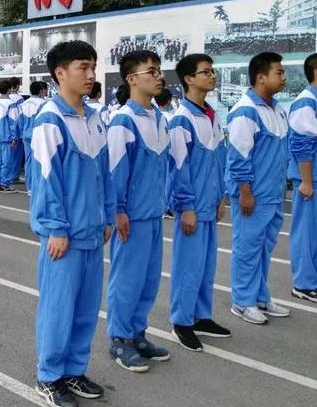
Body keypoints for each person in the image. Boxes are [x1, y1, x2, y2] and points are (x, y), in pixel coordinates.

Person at [30, 41, 115, 406]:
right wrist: (56, 228)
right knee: (58, 309)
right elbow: (45, 180)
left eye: (93, 66)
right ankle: (48, 376)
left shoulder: (95, 117)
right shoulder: (50, 120)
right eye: (83, 67)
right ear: (60, 73)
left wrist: (108, 216)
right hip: (64, 237)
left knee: (84, 310)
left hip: (93, 234)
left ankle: (73, 370)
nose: (91, 74)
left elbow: (104, 173)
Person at [107, 50, 170, 372]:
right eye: (151, 72)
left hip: (154, 213)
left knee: (148, 280)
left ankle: (138, 334)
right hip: (131, 216)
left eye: (159, 71)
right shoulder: (123, 121)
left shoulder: (158, 116)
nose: (158, 77)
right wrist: (118, 211)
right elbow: (116, 170)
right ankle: (120, 341)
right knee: (127, 280)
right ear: (132, 79)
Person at [167, 54, 231, 351]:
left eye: (212, 71)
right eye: (205, 72)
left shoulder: (212, 114)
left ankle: (201, 316)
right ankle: (181, 320)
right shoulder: (182, 119)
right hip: (192, 207)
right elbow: (179, 168)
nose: (212, 76)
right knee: (188, 265)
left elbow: (218, 161)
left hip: (210, 202)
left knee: (207, 264)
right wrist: (186, 206)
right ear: (189, 80)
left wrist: (221, 198)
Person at [226, 52, 290, 324]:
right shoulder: (245, 111)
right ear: (261, 78)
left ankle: (261, 296)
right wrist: (245, 193)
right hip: (253, 195)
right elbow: (239, 157)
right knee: (247, 248)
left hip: (272, 195)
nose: (283, 77)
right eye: (279, 72)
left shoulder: (277, 108)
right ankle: (242, 301)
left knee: (263, 248)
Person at [288, 53, 317, 303]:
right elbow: (301, 144)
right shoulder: (306, 102)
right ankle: (303, 283)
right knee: (306, 233)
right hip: (311, 179)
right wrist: (306, 180)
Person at [19, 81, 48, 194]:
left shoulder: (24, 103)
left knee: (29, 161)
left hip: (26, 136)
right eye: (45, 89)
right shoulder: (43, 104)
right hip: (38, 137)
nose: (46, 91)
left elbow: (20, 122)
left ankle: (30, 187)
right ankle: (37, 187)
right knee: (40, 162)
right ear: (41, 90)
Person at [0, 80, 19, 193]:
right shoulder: (11, 104)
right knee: (7, 162)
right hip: (7, 138)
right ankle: (4, 184)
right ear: (9, 89)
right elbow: (13, 122)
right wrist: (14, 137)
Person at [8, 77, 25, 184]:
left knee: (7, 156)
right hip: (16, 131)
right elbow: (20, 117)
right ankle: (14, 176)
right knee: (16, 156)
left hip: (5, 131)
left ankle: (5, 176)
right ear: (17, 86)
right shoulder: (19, 99)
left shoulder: (5, 97)